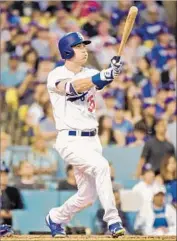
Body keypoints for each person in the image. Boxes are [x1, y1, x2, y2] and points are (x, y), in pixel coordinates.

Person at [45, 31, 125, 238]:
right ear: (66, 51)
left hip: (92, 139)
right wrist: (104, 74)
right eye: (79, 46)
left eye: (84, 46)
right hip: (70, 140)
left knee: (87, 196)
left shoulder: (88, 72)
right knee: (101, 166)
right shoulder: (56, 74)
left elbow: (99, 81)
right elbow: (73, 87)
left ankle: (55, 217)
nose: (84, 50)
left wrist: (112, 71)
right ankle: (113, 220)